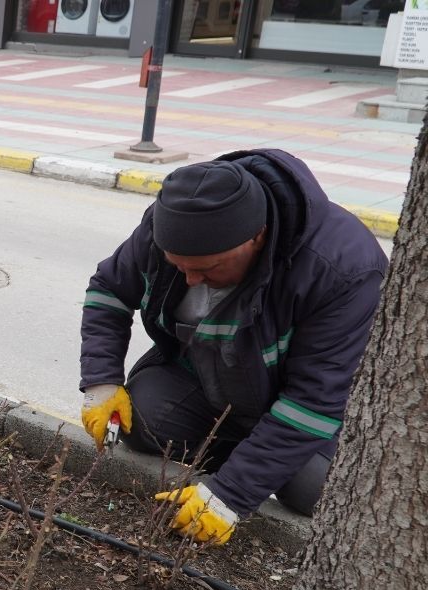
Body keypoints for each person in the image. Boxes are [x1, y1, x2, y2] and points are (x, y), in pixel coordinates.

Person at [79, 149, 387, 545]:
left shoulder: (342, 269)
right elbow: (109, 291)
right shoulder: (169, 224)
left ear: (257, 237)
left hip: (299, 404)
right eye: (179, 266)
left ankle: (253, 461)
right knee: (143, 420)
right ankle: (249, 455)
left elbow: (313, 401)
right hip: (212, 380)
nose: (191, 280)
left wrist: (228, 497)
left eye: (207, 270)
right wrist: (101, 381)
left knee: (314, 488)